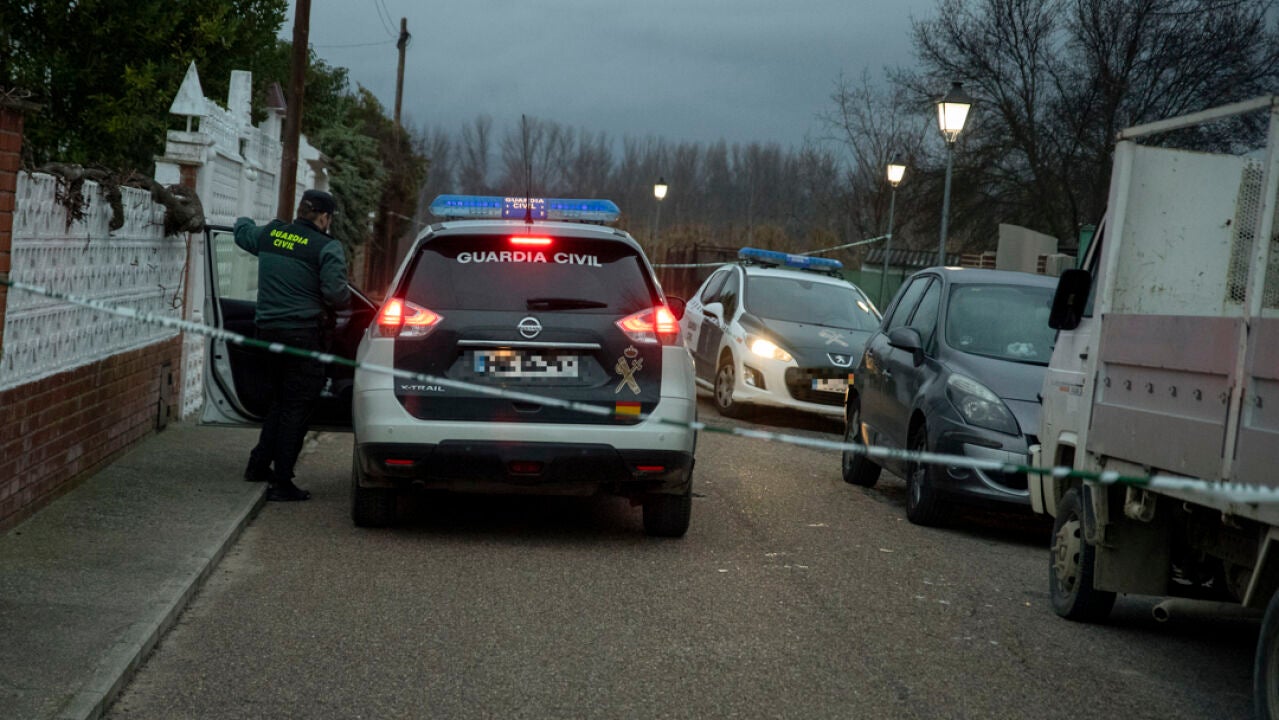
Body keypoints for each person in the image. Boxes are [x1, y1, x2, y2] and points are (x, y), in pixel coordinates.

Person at [234, 189, 351, 501]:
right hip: (302, 338)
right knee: (296, 409)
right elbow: (337, 296)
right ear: (325, 217)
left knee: (278, 401)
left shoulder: (271, 235)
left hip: (266, 334)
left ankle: (258, 465)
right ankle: (282, 481)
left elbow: (242, 232)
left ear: (301, 210)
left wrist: (245, 214)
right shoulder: (327, 247)